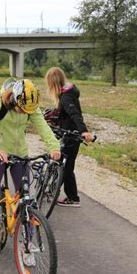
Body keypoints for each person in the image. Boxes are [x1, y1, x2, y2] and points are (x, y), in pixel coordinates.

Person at [0, 78, 61, 268]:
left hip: (19, 152)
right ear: (14, 99)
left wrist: (54, 147)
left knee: (27, 198)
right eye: (22, 109)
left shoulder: (29, 104)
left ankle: (27, 243)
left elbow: (43, 127)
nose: (25, 113)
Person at [45, 67, 94, 207]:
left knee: (66, 167)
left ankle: (73, 198)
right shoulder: (67, 93)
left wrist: (84, 131)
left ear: (52, 83)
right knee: (63, 164)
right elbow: (66, 113)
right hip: (69, 133)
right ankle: (53, 190)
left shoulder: (66, 97)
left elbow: (75, 114)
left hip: (72, 135)